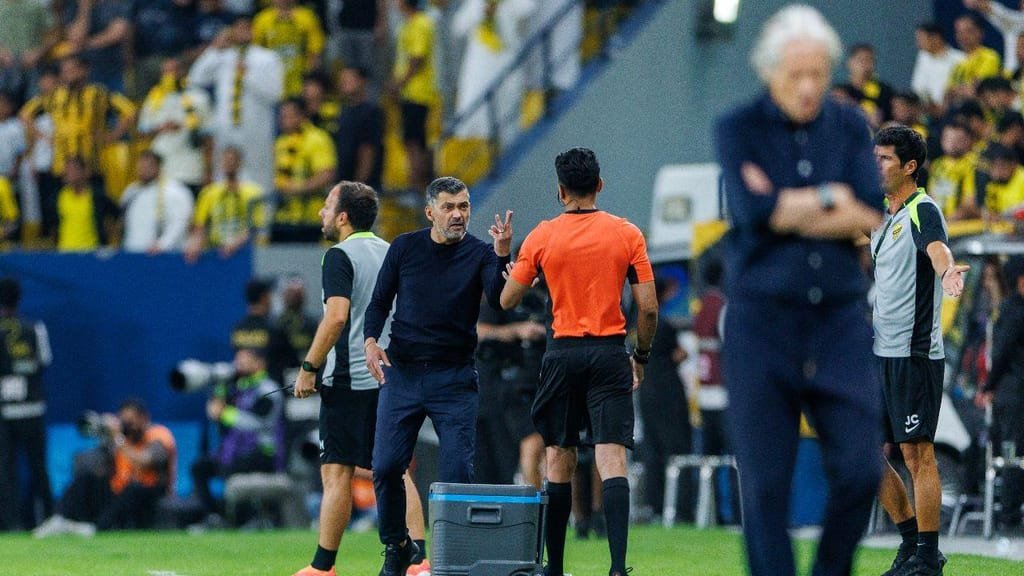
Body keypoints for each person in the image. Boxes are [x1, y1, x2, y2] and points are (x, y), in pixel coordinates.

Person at [713, 6, 886, 576]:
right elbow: (753, 211)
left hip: (838, 319)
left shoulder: (850, 125)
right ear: (769, 73)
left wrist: (790, 204)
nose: (809, 88)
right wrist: (833, 197)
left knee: (861, 469)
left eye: (818, 74)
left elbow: (870, 214)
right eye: (796, 76)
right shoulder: (738, 127)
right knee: (765, 485)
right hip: (761, 322)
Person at [499, 147, 655, 576]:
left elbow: (507, 299)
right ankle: (618, 567)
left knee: (558, 456)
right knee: (612, 458)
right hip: (610, 353)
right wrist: (640, 355)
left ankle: (555, 567)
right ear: (599, 185)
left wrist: (505, 258)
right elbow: (648, 308)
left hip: (562, 353)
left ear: (560, 190)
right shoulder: (627, 233)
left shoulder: (543, 236)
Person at [363, 176, 513, 576]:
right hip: (403, 373)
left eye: (463, 206)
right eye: (448, 207)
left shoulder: (480, 253)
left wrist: (502, 255)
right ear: (430, 212)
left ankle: (454, 563)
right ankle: (397, 546)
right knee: (385, 466)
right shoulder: (404, 247)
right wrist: (370, 341)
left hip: (454, 378)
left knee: (457, 474)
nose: (458, 214)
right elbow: (379, 302)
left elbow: (499, 301)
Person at [290, 181, 428, 576]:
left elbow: (336, 317)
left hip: (349, 379)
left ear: (343, 217)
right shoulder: (391, 251)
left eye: (327, 206)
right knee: (396, 470)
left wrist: (309, 368)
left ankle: (322, 567)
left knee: (336, 471)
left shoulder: (339, 255)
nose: (321, 213)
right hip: (391, 376)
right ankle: (419, 562)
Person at [872, 124, 968, 576]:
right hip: (880, 353)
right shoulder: (883, 215)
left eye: (885, 159)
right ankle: (910, 542)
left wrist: (947, 272)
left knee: (916, 454)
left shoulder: (921, 209)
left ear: (909, 166)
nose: (876, 165)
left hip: (914, 354)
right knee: (862, 453)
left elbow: (936, 248)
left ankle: (928, 557)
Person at [33, 398, 177, 536]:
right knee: (86, 477)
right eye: (124, 421)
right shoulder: (123, 438)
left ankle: (97, 528)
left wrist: (118, 438)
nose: (129, 426)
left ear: (144, 418)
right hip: (120, 490)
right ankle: (59, 519)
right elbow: (83, 463)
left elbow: (144, 461)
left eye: (131, 421)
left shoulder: (158, 434)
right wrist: (105, 435)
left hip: (150, 493)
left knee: (134, 488)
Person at [189, 15, 284, 196]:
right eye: (238, 28)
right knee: (222, 170)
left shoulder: (267, 57)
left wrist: (248, 75)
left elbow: (275, 93)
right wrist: (214, 49)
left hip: (255, 128)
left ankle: (261, 213)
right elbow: (196, 78)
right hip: (226, 127)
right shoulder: (222, 56)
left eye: (246, 28)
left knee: (258, 173)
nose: (242, 32)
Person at [190, 347, 285, 523]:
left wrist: (224, 413)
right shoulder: (238, 388)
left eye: (244, 361)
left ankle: (242, 519)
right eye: (237, 361)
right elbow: (219, 417)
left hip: (263, 453)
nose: (238, 365)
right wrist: (218, 397)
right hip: (234, 452)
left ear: (260, 363)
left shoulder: (269, 389)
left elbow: (259, 422)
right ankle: (215, 516)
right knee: (199, 468)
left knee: (231, 469)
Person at [0, 277, 53, 530]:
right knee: (38, 466)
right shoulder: (34, 328)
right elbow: (44, 361)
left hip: (4, 410)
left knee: (5, 469)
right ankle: (48, 517)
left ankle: (10, 522)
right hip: (32, 407)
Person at [638, 276, 692, 523]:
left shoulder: (635, 323)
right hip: (668, 393)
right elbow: (679, 354)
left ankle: (655, 506)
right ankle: (682, 509)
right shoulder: (664, 325)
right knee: (677, 449)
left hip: (646, 391)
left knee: (652, 449)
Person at [976, 256, 1024, 532]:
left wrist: (989, 387)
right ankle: (1009, 515)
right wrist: (990, 386)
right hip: (1014, 395)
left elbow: (1002, 352)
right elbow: (1004, 352)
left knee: (1013, 453)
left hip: (1011, 393)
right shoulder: (1015, 310)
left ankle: (1009, 515)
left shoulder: (1010, 310)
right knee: (1014, 454)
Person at [137, 57, 213, 197]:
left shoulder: (199, 98)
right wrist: (160, 128)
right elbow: (142, 133)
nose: (170, 76)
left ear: (183, 72)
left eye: (174, 71)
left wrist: (208, 171)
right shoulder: (154, 98)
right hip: (161, 169)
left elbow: (208, 137)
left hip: (190, 168)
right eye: (166, 72)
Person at [184, 147, 268, 263]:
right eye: (226, 160)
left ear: (240, 163)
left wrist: (236, 243)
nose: (229, 163)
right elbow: (200, 225)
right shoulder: (209, 193)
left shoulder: (254, 192)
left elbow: (256, 225)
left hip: (248, 252)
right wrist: (195, 242)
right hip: (217, 250)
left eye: (232, 160)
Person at [271, 98, 337, 243]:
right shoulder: (281, 142)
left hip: (311, 218)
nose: (284, 120)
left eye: (289, 116)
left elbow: (327, 174)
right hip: (284, 217)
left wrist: (299, 189)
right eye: (282, 116)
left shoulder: (317, 139)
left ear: (301, 116)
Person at [391, 0, 439, 192]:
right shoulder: (408, 24)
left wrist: (398, 84)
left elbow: (417, 58)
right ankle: (420, 185)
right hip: (411, 92)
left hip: (418, 92)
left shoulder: (420, 24)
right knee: (416, 140)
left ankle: (418, 186)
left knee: (415, 141)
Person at [119, 150, 195, 254]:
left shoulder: (174, 191)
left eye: (148, 166)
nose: (143, 169)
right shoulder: (131, 191)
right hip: (132, 252)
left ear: (159, 167)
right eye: (141, 165)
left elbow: (180, 222)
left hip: (163, 254)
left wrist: (163, 244)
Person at [253, 0, 326, 98]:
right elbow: (256, 51)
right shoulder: (262, 19)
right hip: (271, 78)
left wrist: (310, 79)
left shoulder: (307, 17)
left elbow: (315, 51)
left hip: (300, 78)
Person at [54, 155, 119, 252]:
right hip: (66, 252)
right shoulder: (60, 196)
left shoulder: (97, 196)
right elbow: (54, 224)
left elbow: (117, 214)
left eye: (73, 170)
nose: (69, 174)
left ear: (85, 172)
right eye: (67, 170)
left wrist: (111, 237)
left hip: (90, 252)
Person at [335, 66, 384, 192]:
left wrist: (358, 186)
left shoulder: (371, 112)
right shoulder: (341, 112)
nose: (344, 82)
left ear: (363, 81)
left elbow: (368, 150)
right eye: (342, 79)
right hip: (343, 184)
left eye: (349, 79)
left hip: (362, 187)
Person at [911, 22, 965, 118]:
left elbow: (961, 89)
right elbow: (918, 87)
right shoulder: (922, 58)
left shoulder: (960, 59)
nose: (918, 44)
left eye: (921, 39)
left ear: (935, 38)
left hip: (955, 113)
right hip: (928, 113)